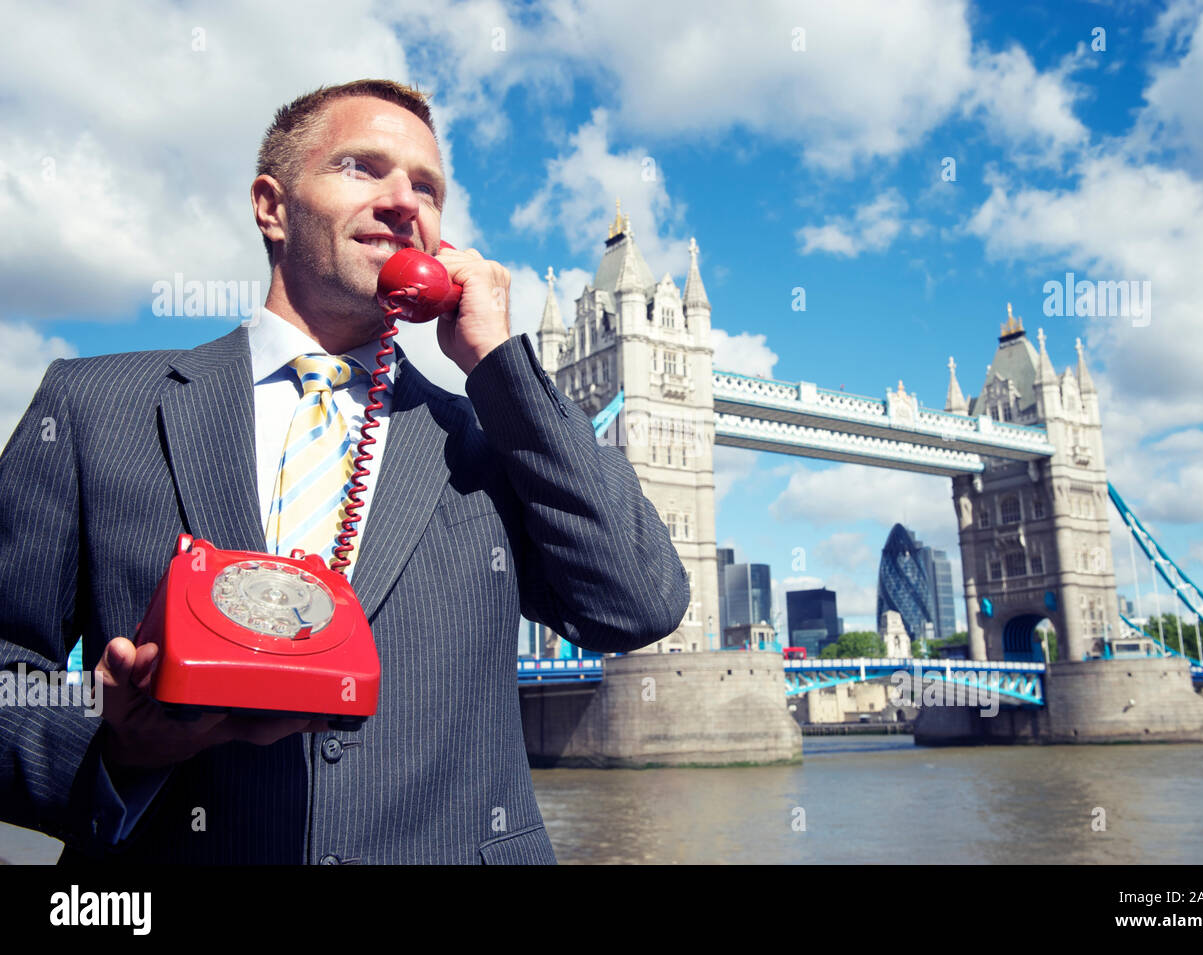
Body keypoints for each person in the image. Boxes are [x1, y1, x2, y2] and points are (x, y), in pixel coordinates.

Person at [0, 79, 689, 864]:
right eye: (361, 167)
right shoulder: (94, 407)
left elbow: (640, 601)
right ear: (271, 206)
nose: (403, 201)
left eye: (427, 188)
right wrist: (117, 748)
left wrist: (502, 365)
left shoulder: (492, 444)